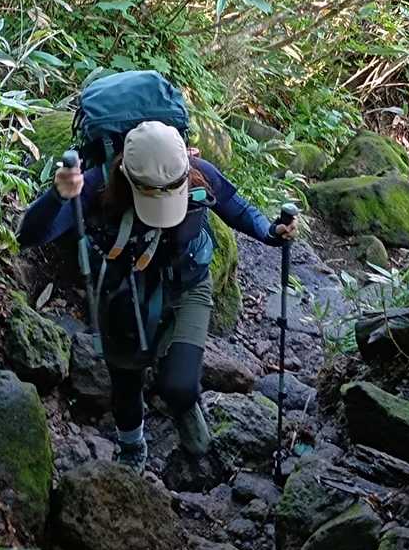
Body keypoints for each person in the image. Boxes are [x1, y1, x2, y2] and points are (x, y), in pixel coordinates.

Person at [17, 120, 298, 470]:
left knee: (179, 385)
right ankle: (132, 449)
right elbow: (29, 236)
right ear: (126, 175)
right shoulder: (97, 185)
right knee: (126, 381)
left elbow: (237, 208)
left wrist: (270, 232)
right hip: (122, 292)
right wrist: (58, 195)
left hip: (188, 286)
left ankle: (188, 420)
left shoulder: (198, 172)